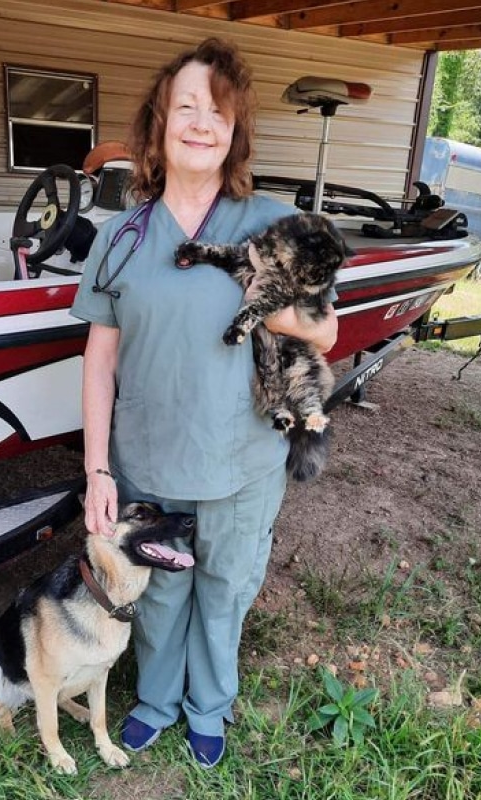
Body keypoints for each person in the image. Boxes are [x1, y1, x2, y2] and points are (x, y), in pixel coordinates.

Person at [70, 37, 338, 769]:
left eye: (217, 110)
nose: (200, 120)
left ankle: (208, 706)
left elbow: (326, 327)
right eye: (185, 105)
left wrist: (262, 291)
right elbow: (100, 358)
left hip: (242, 457)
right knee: (156, 594)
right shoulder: (119, 239)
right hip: (147, 459)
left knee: (224, 590)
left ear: (234, 131)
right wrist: (97, 471)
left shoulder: (273, 222)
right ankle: (155, 702)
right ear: (159, 123)